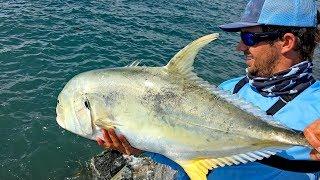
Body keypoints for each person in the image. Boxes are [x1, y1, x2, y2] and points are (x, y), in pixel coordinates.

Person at [97, 0, 320, 179]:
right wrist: (139, 146)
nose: (239, 47)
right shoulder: (229, 90)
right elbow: (185, 146)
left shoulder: (316, 107)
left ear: (287, 42)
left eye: (249, 37)